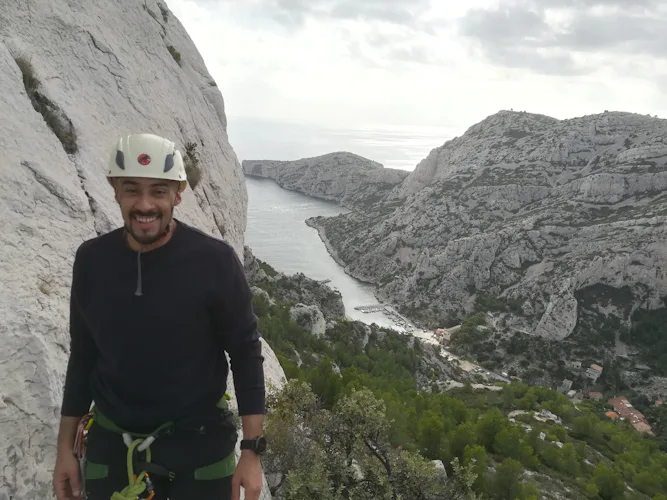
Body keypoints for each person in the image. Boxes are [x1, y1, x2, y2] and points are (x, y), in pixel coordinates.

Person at [52, 133, 267, 500]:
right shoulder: (91, 261)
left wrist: (251, 452)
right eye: (132, 190)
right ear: (115, 190)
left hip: (199, 448)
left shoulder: (214, 262)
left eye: (159, 191)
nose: (145, 204)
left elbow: (246, 354)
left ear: (178, 195)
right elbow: (83, 357)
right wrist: (65, 451)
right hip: (112, 449)